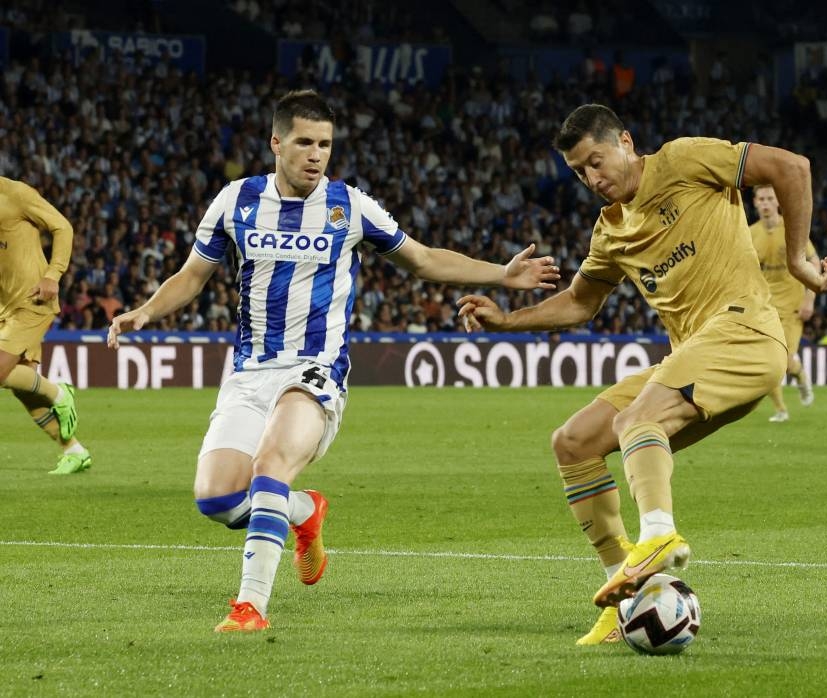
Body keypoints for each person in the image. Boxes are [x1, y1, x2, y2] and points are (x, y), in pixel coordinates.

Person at [106, 90, 559, 633]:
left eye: (324, 144)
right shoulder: (236, 201)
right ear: (277, 143)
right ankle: (304, 512)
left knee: (270, 464)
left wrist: (502, 274)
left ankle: (250, 607)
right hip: (251, 372)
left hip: (315, 370)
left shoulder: (351, 206)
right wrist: (145, 312)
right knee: (218, 499)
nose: (316, 154)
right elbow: (191, 276)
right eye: (304, 143)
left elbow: (423, 260)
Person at [458, 104, 827, 645]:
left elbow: (792, 167)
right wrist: (507, 319)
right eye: (578, 171)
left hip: (747, 332)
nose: (592, 178)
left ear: (626, 142)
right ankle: (625, 591)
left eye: (596, 160)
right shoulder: (610, 229)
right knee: (573, 442)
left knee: (639, 418)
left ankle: (657, 535)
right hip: (697, 353)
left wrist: (799, 260)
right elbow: (579, 304)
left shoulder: (684, 160)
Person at [0, 177, 88, 474]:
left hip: (33, 299)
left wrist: (53, 274)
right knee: (22, 386)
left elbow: (63, 226)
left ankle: (60, 393)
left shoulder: (16, 193)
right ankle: (74, 451)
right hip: (4, 306)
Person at [749, 184, 820, 422]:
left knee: (785, 362)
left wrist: (811, 297)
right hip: (764, 308)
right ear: (756, 202)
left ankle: (799, 376)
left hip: (792, 307)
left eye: (770, 198)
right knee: (766, 361)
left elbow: (814, 261)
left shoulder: (791, 228)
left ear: (778, 202)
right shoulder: (750, 233)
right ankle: (781, 410)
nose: (766, 203)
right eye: (762, 199)